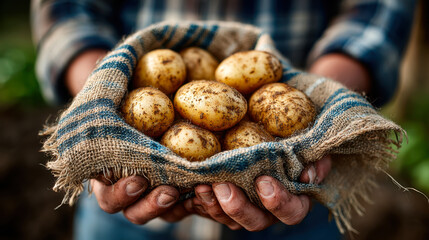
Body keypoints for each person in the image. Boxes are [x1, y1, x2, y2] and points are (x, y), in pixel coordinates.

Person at [31, 0, 416, 239]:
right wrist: (101, 107)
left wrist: (327, 101)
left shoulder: (243, 95)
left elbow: (377, 10)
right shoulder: (161, 87)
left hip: (298, 205)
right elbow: (66, 11)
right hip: (125, 225)